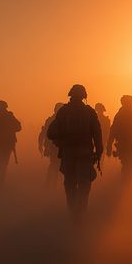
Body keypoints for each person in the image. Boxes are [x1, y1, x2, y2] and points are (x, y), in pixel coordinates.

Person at [47, 84, 103, 222]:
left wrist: (61, 142)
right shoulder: (89, 112)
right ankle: (80, 212)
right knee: (84, 183)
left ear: (70, 95)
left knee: (70, 182)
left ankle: (73, 211)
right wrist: (99, 152)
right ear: (84, 96)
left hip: (68, 153)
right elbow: (97, 134)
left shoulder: (63, 112)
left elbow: (51, 132)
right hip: (84, 153)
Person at [107, 95, 132, 184]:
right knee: (130, 165)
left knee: (126, 164)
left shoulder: (120, 113)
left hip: (124, 145)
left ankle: (125, 181)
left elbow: (113, 129)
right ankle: (126, 182)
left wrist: (109, 145)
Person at [0, 100, 22, 187]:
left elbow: (18, 127)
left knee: (2, 162)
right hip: (3, 144)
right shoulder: (6, 117)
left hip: (4, 143)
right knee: (3, 162)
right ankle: (0, 179)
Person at [38, 102, 64, 187]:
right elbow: (43, 133)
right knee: (55, 165)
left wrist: (40, 144)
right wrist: (40, 144)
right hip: (54, 147)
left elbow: (42, 133)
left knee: (56, 165)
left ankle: (51, 183)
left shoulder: (64, 120)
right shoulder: (53, 120)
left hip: (60, 148)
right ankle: (50, 183)